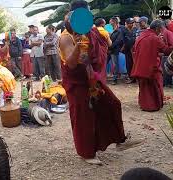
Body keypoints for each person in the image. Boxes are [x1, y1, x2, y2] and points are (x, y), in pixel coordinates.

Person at [59, 0, 142, 165]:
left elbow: (101, 49)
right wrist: (78, 45)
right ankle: (86, 153)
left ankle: (120, 140)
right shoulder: (65, 37)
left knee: (112, 103)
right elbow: (71, 63)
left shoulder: (91, 31)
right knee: (83, 116)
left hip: (91, 78)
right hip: (77, 83)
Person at [132, 20, 173, 112]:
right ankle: (152, 106)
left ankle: (143, 105)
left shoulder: (141, 35)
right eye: (161, 29)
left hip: (139, 65)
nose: (161, 31)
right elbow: (166, 50)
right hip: (150, 67)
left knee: (144, 87)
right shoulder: (154, 38)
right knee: (154, 85)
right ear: (158, 28)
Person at [95, 18, 112, 83]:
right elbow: (110, 44)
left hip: (94, 53)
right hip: (102, 53)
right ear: (102, 24)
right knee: (102, 68)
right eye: (104, 23)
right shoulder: (104, 32)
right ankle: (101, 81)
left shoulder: (92, 31)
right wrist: (109, 36)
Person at [122, 18, 137, 84]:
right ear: (127, 24)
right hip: (127, 50)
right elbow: (123, 40)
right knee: (129, 64)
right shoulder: (124, 30)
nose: (131, 24)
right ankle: (131, 77)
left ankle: (135, 77)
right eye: (130, 23)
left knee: (135, 64)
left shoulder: (135, 30)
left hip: (135, 50)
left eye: (132, 23)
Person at [110, 17, 124, 85]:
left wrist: (110, 47)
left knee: (115, 64)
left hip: (114, 49)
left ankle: (115, 79)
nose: (110, 23)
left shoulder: (119, 31)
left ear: (114, 22)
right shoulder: (112, 30)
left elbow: (118, 41)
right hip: (110, 49)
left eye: (111, 21)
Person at [161, 20, 173, 88]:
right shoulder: (163, 32)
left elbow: (171, 44)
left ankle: (168, 82)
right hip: (164, 54)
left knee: (167, 68)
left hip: (167, 54)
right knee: (165, 69)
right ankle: (166, 82)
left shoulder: (167, 33)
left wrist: (165, 50)